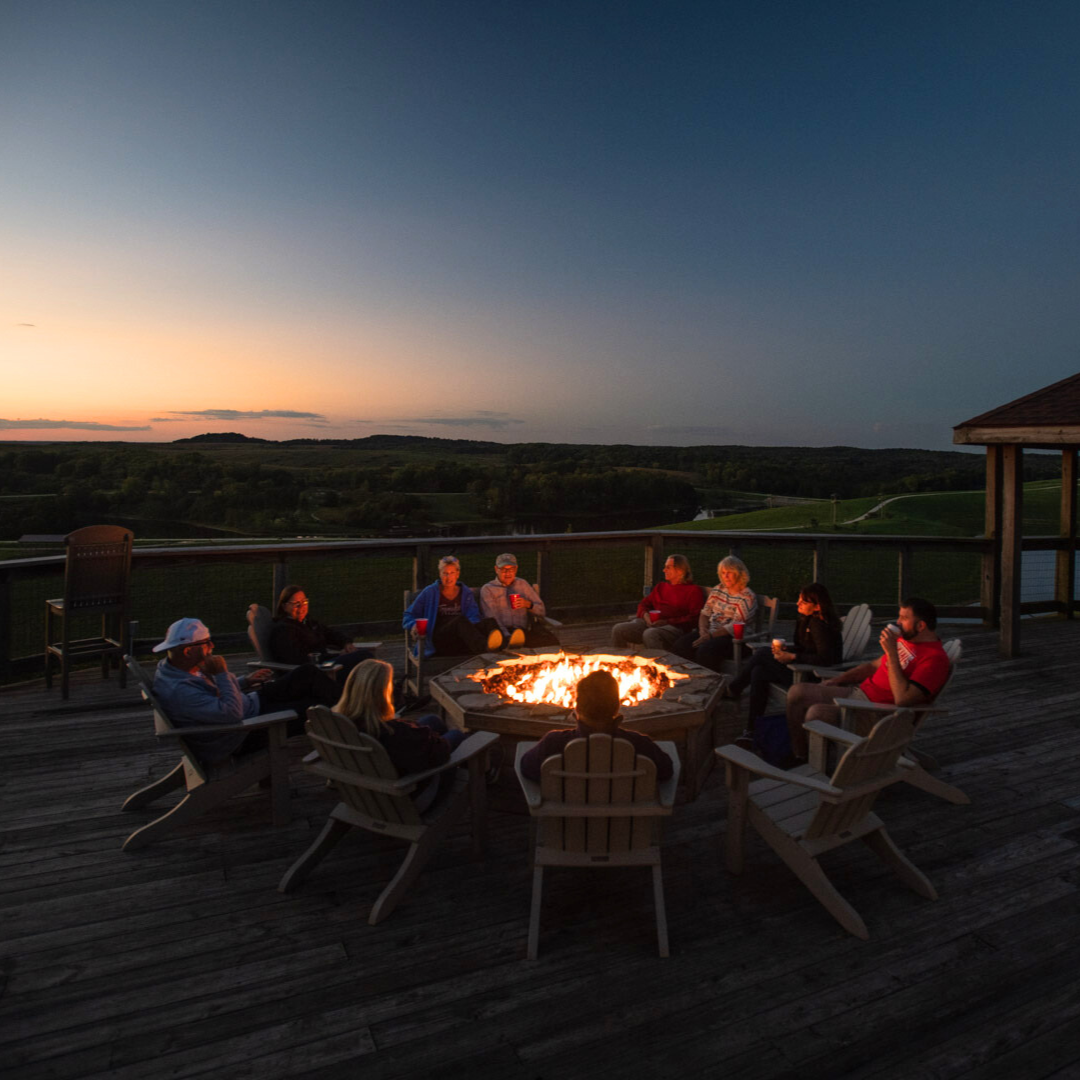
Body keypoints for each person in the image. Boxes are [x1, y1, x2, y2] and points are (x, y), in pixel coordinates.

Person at [784, 597, 951, 762]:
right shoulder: (906, 640)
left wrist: (892, 653)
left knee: (817, 713)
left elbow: (903, 699)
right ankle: (801, 756)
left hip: (878, 715)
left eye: (904, 618)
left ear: (921, 625)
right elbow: (873, 666)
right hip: (859, 693)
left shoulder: (934, 660)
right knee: (797, 692)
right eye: (899, 616)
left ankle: (823, 769)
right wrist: (838, 680)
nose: (898, 622)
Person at [151, 617, 337, 764]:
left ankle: (350, 710)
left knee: (307, 673)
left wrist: (244, 681)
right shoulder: (180, 691)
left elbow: (213, 696)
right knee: (314, 708)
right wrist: (222, 674)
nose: (212, 647)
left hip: (249, 705)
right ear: (188, 651)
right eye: (207, 642)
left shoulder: (175, 669)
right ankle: (351, 721)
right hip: (243, 732)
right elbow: (233, 714)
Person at [727, 583, 843, 749]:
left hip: (813, 678)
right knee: (759, 671)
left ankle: (734, 689)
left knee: (761, 654)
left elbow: (826, 658)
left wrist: (793, 656)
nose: (798, 604)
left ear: (817, 606)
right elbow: (805, 648)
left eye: (803, 602)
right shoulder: (807, 619)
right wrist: (787, 650)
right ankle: (751, 730)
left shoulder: (820, 625)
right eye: (799, 599)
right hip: (801, 669)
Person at [519, 669, 675, 783]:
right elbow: (666, 771)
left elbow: (527, 768)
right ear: (617, 707)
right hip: (625, 821)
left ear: (577, 708)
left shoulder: (553, 743)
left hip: (567, 820)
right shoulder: (639, 744)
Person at [334, 658, 466, 773]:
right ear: (382, 694)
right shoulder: (395, 733)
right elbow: (440, 752)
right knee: (457, 735)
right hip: (414, 789)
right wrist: (428, 736)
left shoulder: (341, 721)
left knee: (433, 720)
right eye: (390, 685)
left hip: (372, 770)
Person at [403, 555, 503, 657]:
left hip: (461, 638)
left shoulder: (465, 593)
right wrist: (413, 625)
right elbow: (408, 614)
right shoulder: (430, 592)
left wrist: (472, 630)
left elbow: (473, 616)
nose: (448, 577)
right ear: (440, 574)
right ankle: (486, 651)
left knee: (490, 622)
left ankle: (505, 647)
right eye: (445, 573)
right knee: (459, 620)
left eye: (452, 573)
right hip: (439, 640)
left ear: (457, 574)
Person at [671, 555, 757, 672]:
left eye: (729, 572)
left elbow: (734, 626)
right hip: (710, 633)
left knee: (705, 650)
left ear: (739, 573)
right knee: (681, 645)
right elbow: (705, 613)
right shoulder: (718, 589)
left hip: (735, 639)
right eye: (723, 572)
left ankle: (711, 682)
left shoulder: (747, 597)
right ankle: (689, 676)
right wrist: (702, 630)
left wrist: (710, 636)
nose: (725, 576)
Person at [268, 584, 372, 678]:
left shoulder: (309, 623)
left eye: (304, 602)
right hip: (315, 673)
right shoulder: (283, 630)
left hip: (326, 664)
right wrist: (338, 656)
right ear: (284, 606)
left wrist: (346, 643)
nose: (302, 607)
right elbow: (299, 659)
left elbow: (330, 634)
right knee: (364, 657)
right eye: (296, 603)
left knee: (365, 659)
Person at [611, 554, 704, 650]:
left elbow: (694, 618)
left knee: (650, 634)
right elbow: (644, 604)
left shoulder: (693, 591)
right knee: (618, 629)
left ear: (680, 570)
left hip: (674, 628)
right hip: (651, 623)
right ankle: (619, 661)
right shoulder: (661, 587)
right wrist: (645, 615)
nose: (664, 570)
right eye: (665, 567)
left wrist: (666, 622)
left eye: (668, 567)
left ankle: (658, 663)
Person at [479, 553, 559, 650]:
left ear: (516, 569)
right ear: (496, 569)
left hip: (521, 632)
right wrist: (508, 637)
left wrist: (528, 605)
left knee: (553, 642)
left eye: (511, 569)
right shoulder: (488, 589)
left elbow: (542, 611)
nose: (508, 573)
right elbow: (491, 618)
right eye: (504, 569)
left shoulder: (522, 584)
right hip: (500, 633)